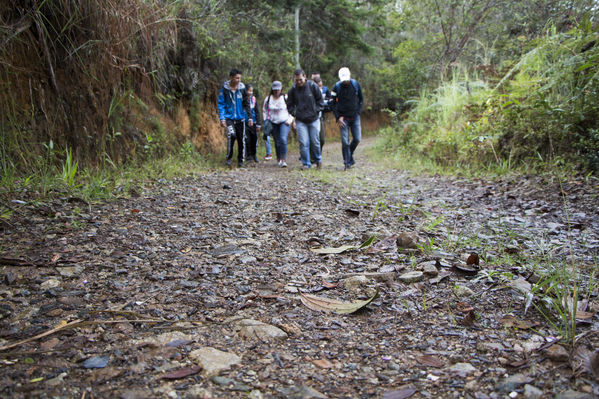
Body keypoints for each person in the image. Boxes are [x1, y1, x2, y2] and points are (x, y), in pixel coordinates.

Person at [286, 68, 324, 169]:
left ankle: (318, 160)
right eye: (296, 80)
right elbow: (289, 104)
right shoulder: (293, 90)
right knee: (303, 142)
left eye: (300, 80)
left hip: (313, 119)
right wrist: (294, 113)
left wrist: (317, 110)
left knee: (315, 141)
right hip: (300, 120)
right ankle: (306, 163)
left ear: (305, 77)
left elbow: (320, 100)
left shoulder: (312, 86)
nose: (298, 82)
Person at [217, 68, 252, 167]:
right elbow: (221, 104)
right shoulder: (224, 89)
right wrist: (222, 118)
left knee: (241, 139)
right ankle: (228, 159)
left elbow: (246, 103)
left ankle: (241, 161)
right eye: (237, 78)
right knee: (231, 135)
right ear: (231, 77)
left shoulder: (242, 88)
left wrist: (249, 117)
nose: (239, 80)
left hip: (240, 118)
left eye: (240, 78)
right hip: (229, 118)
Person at [331, 67, 363, 170]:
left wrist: (358, 112)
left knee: (357, 138)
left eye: (347, 80)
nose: (345, 82)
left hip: (355, 116)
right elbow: (332, 103)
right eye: (343, 80)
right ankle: (347, 162)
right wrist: (338, 117)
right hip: (343, 118)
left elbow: (361, 99)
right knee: (345, 141)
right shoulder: (336, 87)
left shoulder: (356, 85)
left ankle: (350, 155)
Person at [263, 81, 293, 168]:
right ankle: (279, 158)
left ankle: (283, 159)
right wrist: (266, 120)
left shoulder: (285, 98)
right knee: (277, 141)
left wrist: (290, 119)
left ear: (281, 89)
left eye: (278, 89)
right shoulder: (268, 99)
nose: (276, 91)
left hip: (284, 121)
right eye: (275, 89)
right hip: (273, 122)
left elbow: (292, 109)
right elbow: (264, 110)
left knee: (283, 139)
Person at [311, 74, 332, 158]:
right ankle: (312, 157)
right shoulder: (309, 91)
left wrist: (328, 102)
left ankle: (317, 154)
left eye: (320, 86)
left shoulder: (325, 90)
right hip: (311, 116)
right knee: (312, 139)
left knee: (321, 139)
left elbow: (330, 99)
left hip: (320, 116)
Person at [245, 84, 262, 163]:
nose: (250, 92)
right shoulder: (242, 100)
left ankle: (254, 155)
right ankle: (248, 156)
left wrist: (258, 123)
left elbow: (257, 112)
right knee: (247, 140)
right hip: (245, 122)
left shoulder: (254, 99)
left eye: (251, 91)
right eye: (248, 91)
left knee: (254, 139)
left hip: (254, 122)